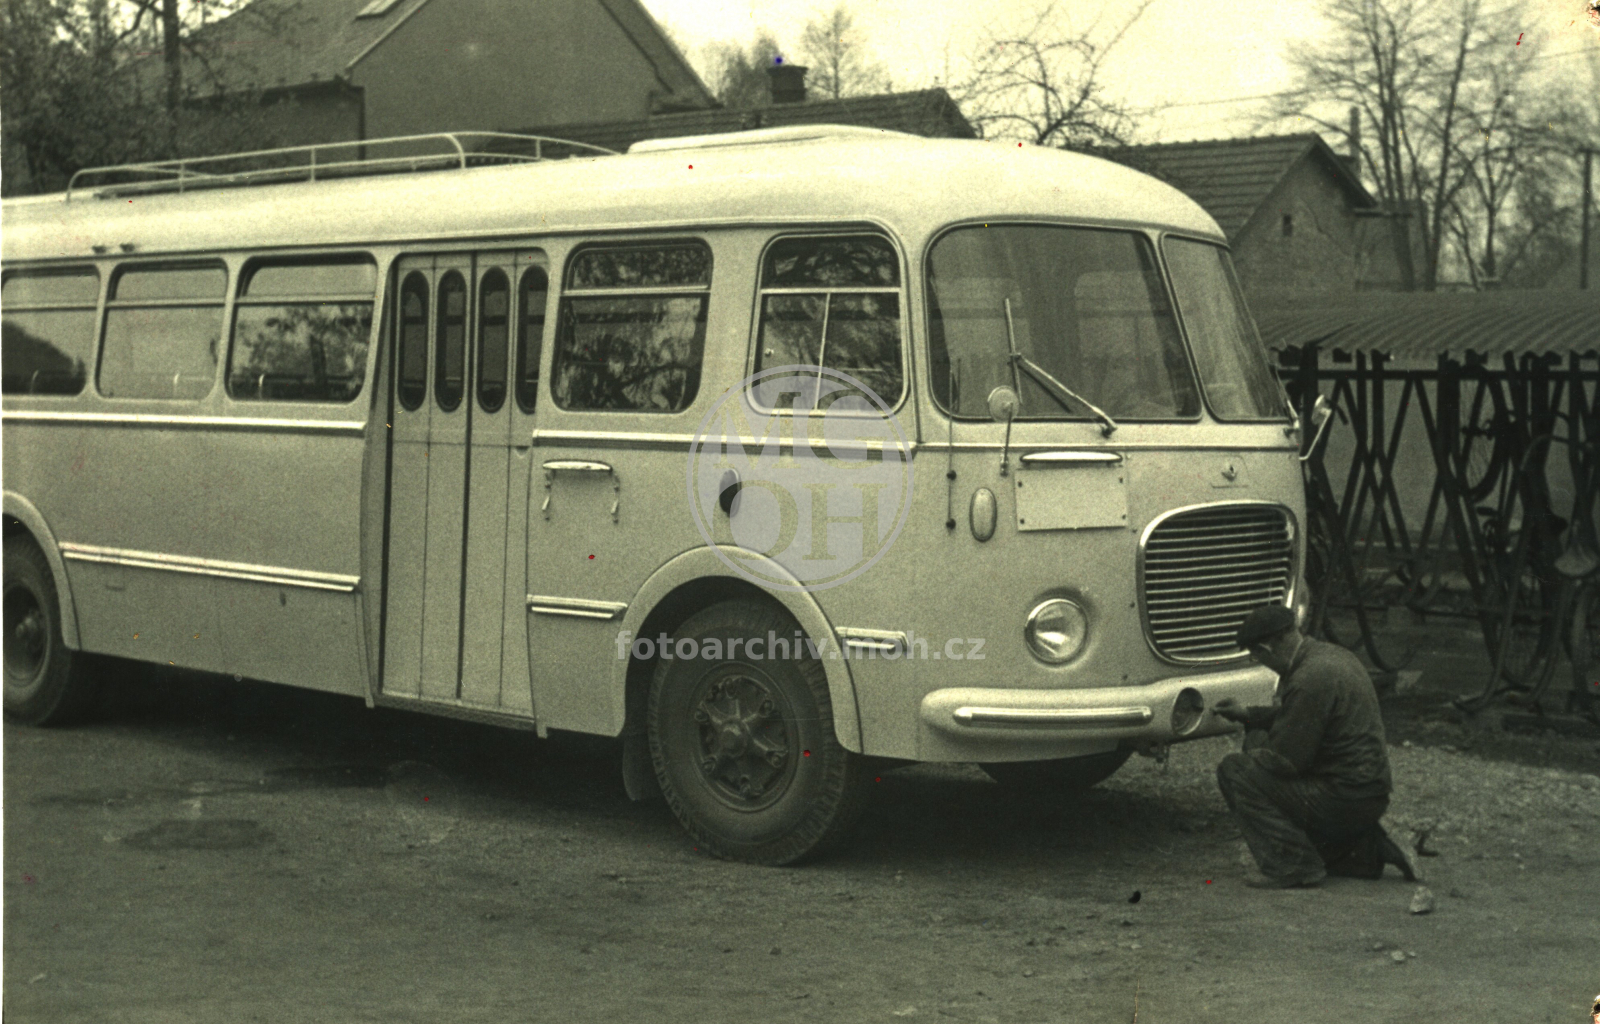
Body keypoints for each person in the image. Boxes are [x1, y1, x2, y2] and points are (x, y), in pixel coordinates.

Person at [1212, 604, 1416, 889]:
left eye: (1259, 657)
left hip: (1344, 798)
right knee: (1257, 746)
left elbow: (1285, 762)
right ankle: (1364, 851)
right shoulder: (1331, 657)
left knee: (1235, 771)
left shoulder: (1309, 679)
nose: (1264, 664)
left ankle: (1292, 865)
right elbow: (1302, 716)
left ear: (1267, 649)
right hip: (1368, 793)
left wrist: (1254, 749)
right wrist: (1250, 715)